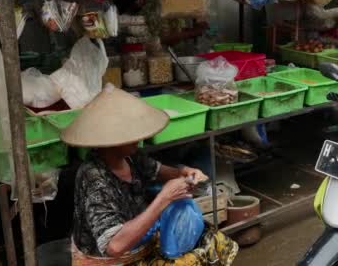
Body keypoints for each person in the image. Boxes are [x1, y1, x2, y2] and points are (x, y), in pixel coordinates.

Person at [64, 85, 238, 265]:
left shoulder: (130, 157)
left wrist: (183, 172)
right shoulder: (93, 177)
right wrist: (164, 198)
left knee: (199, 229)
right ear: (111, 140)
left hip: (139, 241)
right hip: (109, 259)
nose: (139, 139)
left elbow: (159, 171)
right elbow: (114, 246)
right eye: (131, 134)